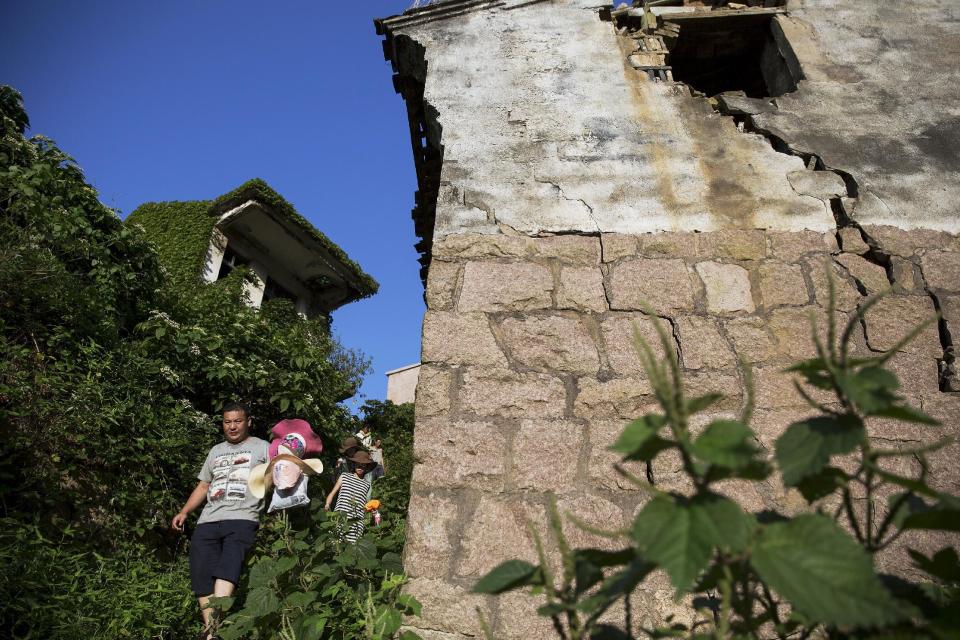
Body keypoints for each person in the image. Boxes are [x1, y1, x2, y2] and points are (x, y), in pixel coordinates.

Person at [171, 402, 269, 639]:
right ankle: (211, 632)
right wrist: (185, 511)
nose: (232, 426)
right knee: (201, 573)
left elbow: (278, 474)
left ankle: (212, 629)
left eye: (237, 421)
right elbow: (204, 485)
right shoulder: (215, 451)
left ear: (248, 422)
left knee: (229, 565)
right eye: (227, 422)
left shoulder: (263, 447)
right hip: (208, 519)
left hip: (243, 517)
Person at [323, 449, 376, 542]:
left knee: (352, 550)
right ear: (354, 464)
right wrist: (327, 505)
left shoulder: (367, 484)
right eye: (358, 464)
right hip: (340, 518)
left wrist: (373, 512)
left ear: (367, 467)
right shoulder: (344, 476)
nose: (360, 467)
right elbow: (333, 492)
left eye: (363, 465)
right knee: (336, 547)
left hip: (356, 522)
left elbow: (365, 503)